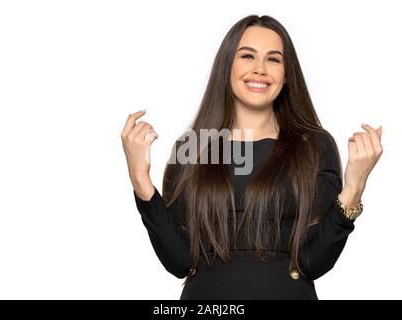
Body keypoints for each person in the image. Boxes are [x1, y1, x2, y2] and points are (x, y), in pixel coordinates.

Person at [121, 15, 383, 299]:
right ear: (227, 66)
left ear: (286, 75)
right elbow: (180, 261)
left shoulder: (314, 146)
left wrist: (354, 188)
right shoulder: (192, 147)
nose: (260, 69)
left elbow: (314, 263)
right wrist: (140, 180)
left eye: (273, 60)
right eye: (247, 56)